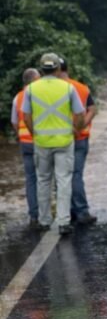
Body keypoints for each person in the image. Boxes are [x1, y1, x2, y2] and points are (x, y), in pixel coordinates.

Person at [22, 53, 86, 235]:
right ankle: (64, 222)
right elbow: (80, 114)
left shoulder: (31, 89)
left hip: (41, 141)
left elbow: (26, 116)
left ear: (42, 69)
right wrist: (76, 130)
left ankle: (43, 220)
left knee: (43, 180)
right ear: (58, 69)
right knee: (63, 180)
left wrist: (35, 133)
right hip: (65, 141)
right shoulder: (67, 88)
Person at [58, 58, 98, 225]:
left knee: (62, 176)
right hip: (80, 138)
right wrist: (81, 127)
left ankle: (73, 211)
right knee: (75, 175)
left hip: (59, 139)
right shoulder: (81, 87)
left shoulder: (53, 89)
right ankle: (80, 211)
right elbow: (92, 109)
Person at [10, 68, 41, 228]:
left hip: (25, 143)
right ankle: (44, 215)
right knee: (44, 179)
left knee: (30, 179)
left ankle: (33, 215)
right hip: (40, 142)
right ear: (35, 80)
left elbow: (14, 121)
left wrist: (21, 135)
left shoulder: (18, 97)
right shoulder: (38, 94)